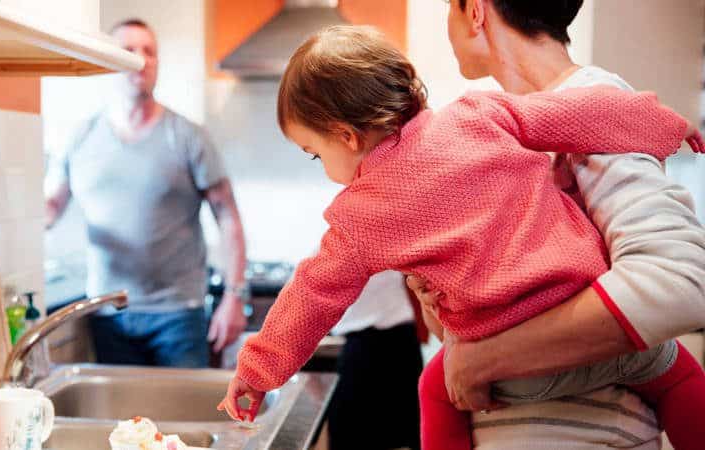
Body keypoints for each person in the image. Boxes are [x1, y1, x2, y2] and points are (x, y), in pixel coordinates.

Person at [216, 23, 701, 438]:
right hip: (594, 320)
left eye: (315, 153)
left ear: (347, 135)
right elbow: (585, 115)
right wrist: (666, 125)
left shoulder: (359, 214)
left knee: (435, 389)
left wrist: (257, 372)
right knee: (678, 375)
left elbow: (311, 295)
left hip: (511, 369)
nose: (322, 167)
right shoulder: (478, 114)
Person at [408, 1, 705, 449]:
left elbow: (679, 281)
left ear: (475, 11)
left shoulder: (592, 103)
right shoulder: (503, 124)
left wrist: (483, 359)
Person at [44, 18, 248, 368]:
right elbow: (49, 208)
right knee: (121, 424)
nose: (141, 59)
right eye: (129, 51)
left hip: (178, 316)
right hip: (107, 313)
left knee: (182, 422)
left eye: (149, 51)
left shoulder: (187, 136)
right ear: (109, 62)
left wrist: (235, 295)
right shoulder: (80, 137)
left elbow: (228, 217)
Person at [327, 270, 424, 450]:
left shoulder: (335, 248)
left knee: (350, 432)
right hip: (403, 342)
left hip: (368, 347)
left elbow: (297, 296)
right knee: (408, 426)